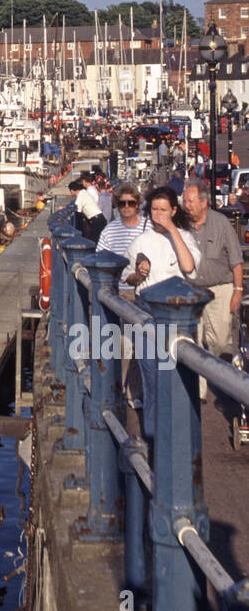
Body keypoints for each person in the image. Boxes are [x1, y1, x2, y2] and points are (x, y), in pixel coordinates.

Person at [124, 187, 201, 440]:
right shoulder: (140, 242)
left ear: (174, 210)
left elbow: (189, 269)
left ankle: (179, 439)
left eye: (164, 210)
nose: (158, 215)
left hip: (177, 312)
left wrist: (172, 230)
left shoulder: (185, 237)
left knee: (178, 377)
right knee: (152, 378)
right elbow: (130, 280)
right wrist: (139, 273)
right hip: (147, 310)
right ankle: (153, 437)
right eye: (154, 210)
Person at [182, 179, 243, 367]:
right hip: (191, 291)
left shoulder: (221, 223)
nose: (186, 205)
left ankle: (219, 380)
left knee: (220, 342)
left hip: (220, 291)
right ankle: (199, 394)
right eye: (184, 201)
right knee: (193, 343)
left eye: (190, 202)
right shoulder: (181, 226)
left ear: (204, 203)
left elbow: (236, 260)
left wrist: (238, 290)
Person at [96, 183, 144, 256]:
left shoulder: (150, 227)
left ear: (137, 205)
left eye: (131, 203)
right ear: (117, 205)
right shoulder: (109, 231)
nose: (126, 206)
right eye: (122, 203)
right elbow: (100, 258)